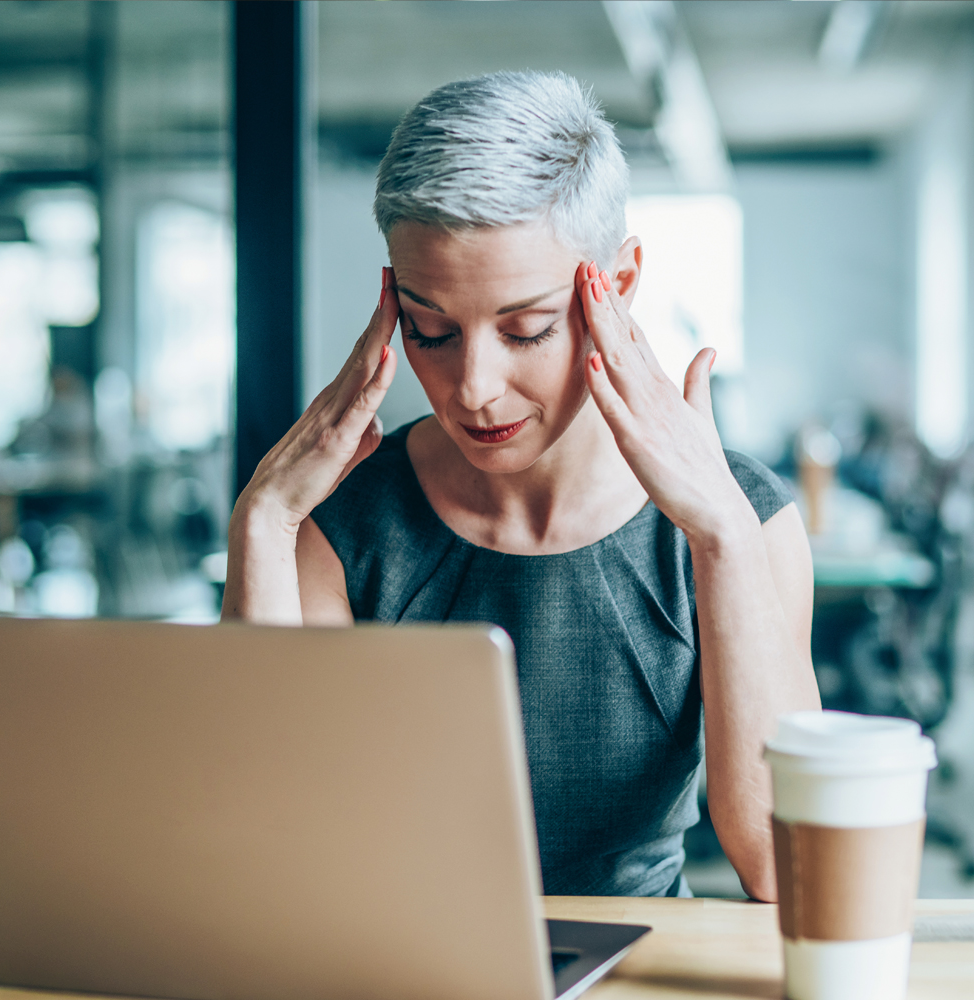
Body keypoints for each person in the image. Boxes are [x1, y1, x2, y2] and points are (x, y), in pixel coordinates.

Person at [223, 71, 820, 900]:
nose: (473, 386)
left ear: (616, 286)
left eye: (526, 329)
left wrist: (719, 532)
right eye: (430, 332)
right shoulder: (348, 527)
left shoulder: (744, 519)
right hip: (398, 967)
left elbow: (780, 864)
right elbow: (271, 848)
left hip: (638, 966)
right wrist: (263, 520)